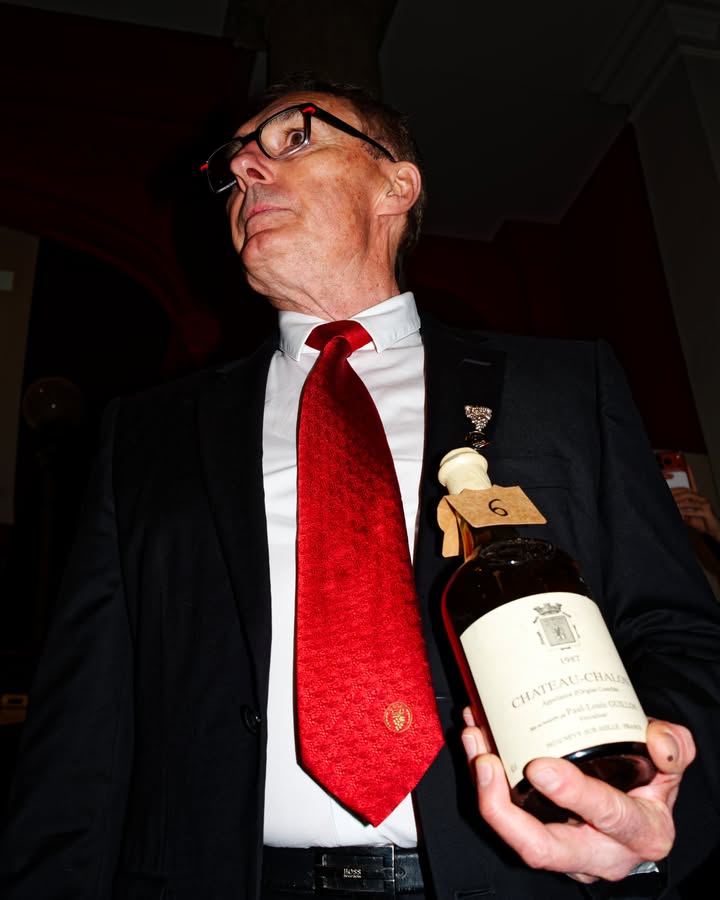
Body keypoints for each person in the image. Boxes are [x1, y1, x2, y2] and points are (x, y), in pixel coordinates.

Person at [2, 74, 720, 900]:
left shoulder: (564, 388)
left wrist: (651, 808)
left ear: (396, 185)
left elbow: (678, 633)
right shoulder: (147, 432)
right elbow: (83, 713)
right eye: (233, 165)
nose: (244, 170)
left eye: (294, 137)